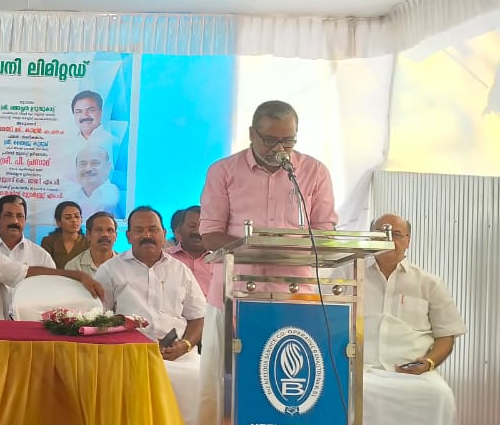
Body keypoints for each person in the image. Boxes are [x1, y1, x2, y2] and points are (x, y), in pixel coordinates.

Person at [197, 100, 338, 425]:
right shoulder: (223, 171)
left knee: (289, 386)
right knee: (224, 388)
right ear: (252, 134)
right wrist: (257, 249)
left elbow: (325, 233)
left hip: (295, 299)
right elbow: (210, 235)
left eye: (288, 141)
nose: (279, 149)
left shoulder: (314, 171)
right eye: (270, 140)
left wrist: (294, 246)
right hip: (233, 296)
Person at [96, 206, 205, 425]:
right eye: (139, 230)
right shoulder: (110, 270)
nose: (147, 235)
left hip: (178, 355)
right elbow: (98, 318)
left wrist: (185, 345)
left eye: (153, 230)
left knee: (201, 380)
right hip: (129, 355)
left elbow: (198, 317)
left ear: (164, 234)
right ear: (128, 236)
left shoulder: (180, 270)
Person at [360, 214, 466, 425]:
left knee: (440, 395)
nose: (389, 239)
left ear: (408, 240)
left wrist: (429, 362)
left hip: (413, 375)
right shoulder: (349, 275)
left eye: (396, 234)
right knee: (344, 391)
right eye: (381, 233)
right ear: (371, 238)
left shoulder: (430, 283)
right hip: (362, 370)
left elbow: (446, 336)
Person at [165, 206, 212, 297]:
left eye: (203, 227)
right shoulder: (164, 258)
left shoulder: (221, 261)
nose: (197, 232)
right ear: (179, 230)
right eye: (191, 226)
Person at [68, 146, 119, 217]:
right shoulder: (70, 196)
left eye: (95, 163)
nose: (88, 169)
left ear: (108, 167)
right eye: (82, 164)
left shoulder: (118, 195)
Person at [65, 211, 118, 276]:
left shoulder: (125, 265)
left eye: (110, 230)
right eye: (99, 230)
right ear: (88, 235)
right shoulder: (73, 267)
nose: (105, 234)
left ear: (116, 236)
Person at [39, 201, 89, 269]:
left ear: (81, 219)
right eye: (68, 218)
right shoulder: (49, 241)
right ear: (58, 222)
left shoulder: (88, 242)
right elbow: (44, 268)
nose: (74, 220)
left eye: (77, 216)